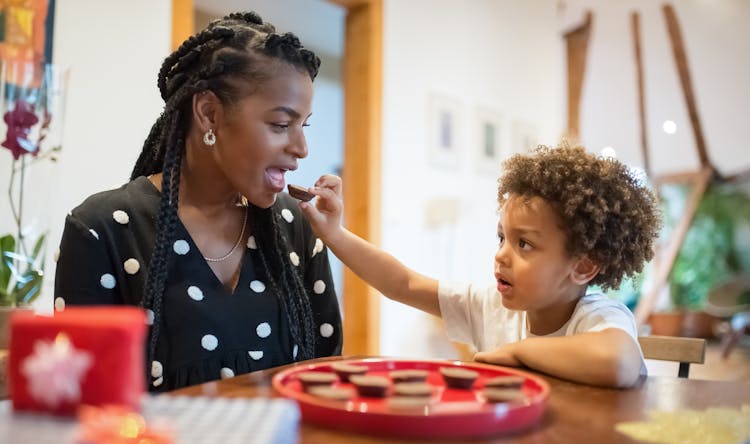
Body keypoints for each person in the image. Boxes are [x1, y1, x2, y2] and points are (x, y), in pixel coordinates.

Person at [54, 12, 342, 392]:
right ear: (209, 113)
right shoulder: (101, 229)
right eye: (280, 125)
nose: (302, 149)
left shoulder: (295, 225)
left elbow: (322, 376)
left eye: (302, 125)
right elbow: (82, 399)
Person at [300, 144, 662, 388]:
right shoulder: (488, 306)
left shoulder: (598, 318)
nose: (502, 255)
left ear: (583, 267)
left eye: (525, 244)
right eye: (501, 238)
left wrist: (516, 353)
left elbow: (619, 363)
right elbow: (403, 284)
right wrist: (335, 234)